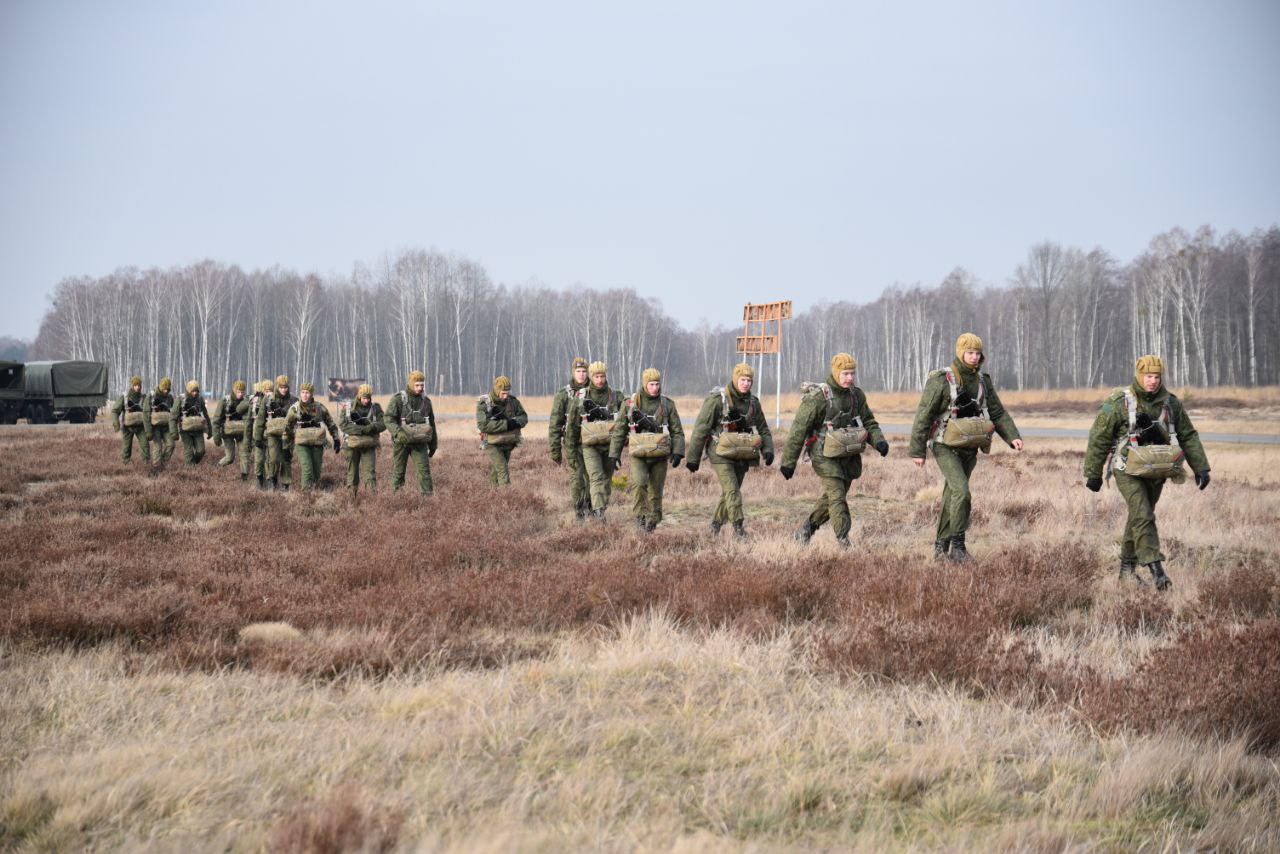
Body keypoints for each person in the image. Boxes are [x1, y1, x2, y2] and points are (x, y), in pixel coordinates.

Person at [1083, 355, 1210, 590]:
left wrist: (1200, 467)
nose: (1152, 381)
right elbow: (1099, 436)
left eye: (1157, 376)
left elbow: (1188, 435)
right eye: (1148, 376)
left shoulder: (1170, 403)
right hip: (1126, 469)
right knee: (1142, 514)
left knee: (1138, 517)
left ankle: (1126, 572)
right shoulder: (1119, 401)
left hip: (1156, 470)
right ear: (1139, 376)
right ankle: (1157, 570)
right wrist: (1093, 472)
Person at [908, 333, 1023, 562]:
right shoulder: (942, 380)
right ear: (960, 352)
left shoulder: (983, 381)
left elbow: (997, 412)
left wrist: (1012, 436)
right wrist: (918, 450)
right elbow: (924, 415)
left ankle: (941, 549)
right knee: (961, 491)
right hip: (944, 446)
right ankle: (958, 547)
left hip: (970, 447)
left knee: (953, 495)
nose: (973, 357)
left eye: (977, 353)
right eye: (969, 352)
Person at [781, 353, 888, 548]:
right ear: (836, 372)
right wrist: (788, 463)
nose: (850, 378)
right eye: (845, 373)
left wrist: (879, 441)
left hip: (848, 454)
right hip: (824, 456)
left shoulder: (857, 395)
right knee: (837, 496)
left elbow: (869, 422)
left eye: (852, 373)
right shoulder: (818, 397)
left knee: (831, 497)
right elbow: (799, 430)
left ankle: (806, 530)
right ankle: (844, 542)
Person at [686, 362, 775, 539]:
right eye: (742, 379)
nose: (746, 383)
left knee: (730, 492)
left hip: (742, 452)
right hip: (719, 452)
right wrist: (693, 457)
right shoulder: (717, 400)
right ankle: (739, 530)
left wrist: (768, 449)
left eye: (749, 380)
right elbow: (701, 428)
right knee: (733, 490)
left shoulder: (753, 403)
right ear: (735, 379)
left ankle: (715, 526)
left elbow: (763, 428)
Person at [610, 368, 685, 532]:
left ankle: (653, 520)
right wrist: (613, 454)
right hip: (638, 454)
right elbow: (620, 430)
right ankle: (640, 518)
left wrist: (678, 451)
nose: (655, 387)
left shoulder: (667, 405)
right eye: (651, 384)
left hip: (660, 455)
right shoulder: (630, 404)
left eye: (657, 384)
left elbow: (677, 430)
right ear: (645, 384)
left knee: (656, 490)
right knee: (639, 484)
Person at [564, 361, 624, 520]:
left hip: (610, 446)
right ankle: (599, 514)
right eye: (596, 376)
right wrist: (570, 454)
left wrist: (619, 448)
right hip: (589, 447)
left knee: (606, 480)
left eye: (602, 376)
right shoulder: (581, 397)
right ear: (592, 377)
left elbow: (626, 424)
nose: (599, 380)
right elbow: (572, 429)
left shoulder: (617, 397)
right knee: (596, 478)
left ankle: (598, 507)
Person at [549, 358, 592, 518]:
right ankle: (579, 510)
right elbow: (555, 423)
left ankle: (592, 508)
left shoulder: (595, 391)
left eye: (584, 371)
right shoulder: (563, 395)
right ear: (573, 372)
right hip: (572, 444)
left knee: (593, 478)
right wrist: (555, 450)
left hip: (592, 443)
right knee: (576, 477)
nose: (581, 375)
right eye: (578, 371)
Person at [384, 369, 438, 495]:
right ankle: (396, 500)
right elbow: (388, 419)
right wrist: (398, 433)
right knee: (399, 473)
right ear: (410, 384)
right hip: (401, 443)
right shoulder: (398, 399)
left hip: (420, 443)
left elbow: (432, 424)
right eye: (417, 385)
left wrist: (434, 444)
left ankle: (428, 502)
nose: (420, 388)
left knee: (424, 473)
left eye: (422, 385)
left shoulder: (426, 402)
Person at [285, 382, 341, 489]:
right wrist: (286, 446)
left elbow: (331, 423)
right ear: (300, 393)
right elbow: (287, 428)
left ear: (311, 394)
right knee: (307, 469)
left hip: (317, 442)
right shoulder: (294, 409)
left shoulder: (319, 408)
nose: (305, 395)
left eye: (307, 393)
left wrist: (336, 439)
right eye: (302, 392)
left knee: (316, 471)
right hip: (302, 443)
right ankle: (305, 495)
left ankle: (314, 494)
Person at [476, 376, 529, 486]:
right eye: (503, 393)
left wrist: (516, 422)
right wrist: (506, 424)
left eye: (507, 393)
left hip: (508, 441)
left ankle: (492, 496)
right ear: (496, 390)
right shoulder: (484, 403)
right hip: (492, 442)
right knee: (502, 469)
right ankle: (507, 498)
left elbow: (524, 417)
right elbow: (483, 425)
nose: (505, 396)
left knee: (497, 471)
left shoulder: (513, 401)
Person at [338, 384, 385, 494]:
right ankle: (351, 500)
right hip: (351, 445)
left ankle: (371, 501)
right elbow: (343, 425)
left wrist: (372, 427)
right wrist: (362, 430)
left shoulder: (375, 408)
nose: (366, 400)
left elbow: (384, 423)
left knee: (370, 473)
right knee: (352, 473)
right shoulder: (349, 408)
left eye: (368, 398)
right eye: (364, 398)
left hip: (369, 445)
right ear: (359, 396)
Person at [254, 375, 297, 491]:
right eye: (282, 387)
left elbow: (299, 420)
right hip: (272, 434)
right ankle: (272, 481)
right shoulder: (268, 399)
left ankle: (285, 485)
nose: (284, 390)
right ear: (277, 387)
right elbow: (261, 419)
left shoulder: (294, 400)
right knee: (273, 459)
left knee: (286, 459)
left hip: (288, 434)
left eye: (286, 387)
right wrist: (257, 437)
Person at [212, 380, 251, 478]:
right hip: (227, 432)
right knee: (230, 458)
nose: (240, 394)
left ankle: (244, 477)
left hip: (241, 432)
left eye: (242, 392)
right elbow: (216, 419)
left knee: (244, 454)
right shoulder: (225, 401)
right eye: (238, 392)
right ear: (233, 390)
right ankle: (217, 467)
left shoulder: (247, 401)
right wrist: (216, 437)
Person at [110, 375, 150, 465]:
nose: (137, 387)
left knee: (145, 446)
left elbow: (149, 411)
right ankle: (125, 465)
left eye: (139, 385)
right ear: (132, 385)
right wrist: (116, 424)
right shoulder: (124, 397)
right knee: (126, 447)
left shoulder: (144, 398)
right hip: (128, 427)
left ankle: (147, 465)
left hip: (141, 427)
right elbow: (115, 411)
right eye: (135, 385)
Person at [171, 380, 212, 464]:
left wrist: (209, 430)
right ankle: (190, 470)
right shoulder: (180, 399)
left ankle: (193, 465)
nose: (194, 393)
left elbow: (205, 414)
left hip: (198, 429)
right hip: (185, 430)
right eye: (193, 391)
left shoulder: (200, 399)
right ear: (189, 391)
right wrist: (174, 432)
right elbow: (173, 417)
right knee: (188, 452)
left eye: (196, 391)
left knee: (201, 451)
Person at [143, 377, 176, 467]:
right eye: (164, 389)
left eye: (168, 389)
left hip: (166, 427)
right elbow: (146, 414)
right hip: (155, 427)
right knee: (157, 447)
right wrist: (148, 431)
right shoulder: (151, 396)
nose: (166, 391)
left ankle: (163, 463)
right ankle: (156, 467)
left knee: (171, 444)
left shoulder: (169, 397)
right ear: (160, 387)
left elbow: (173, 412)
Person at [246, 379, 273, 489]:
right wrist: (248, 439)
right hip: (257, 436)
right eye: (266, 390)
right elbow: (249, 421)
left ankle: (270, 480)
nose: (268, 392)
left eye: (270, 390)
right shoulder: (255, 401)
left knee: (270, 460)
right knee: (258, 459)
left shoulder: (274, 401)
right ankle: (259, 480)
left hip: (271, 435)